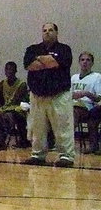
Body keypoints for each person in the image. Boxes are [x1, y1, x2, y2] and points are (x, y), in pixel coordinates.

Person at [23, 23, 74, 167]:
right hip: (37, 95)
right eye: (44, 30)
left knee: (62, 127)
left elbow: (56, 63)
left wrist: (40, 60)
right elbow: (29, 65)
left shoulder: (64, 49)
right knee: (37, 128)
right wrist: (48, 61)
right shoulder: (32, 49)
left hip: (59, 95)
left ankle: (66, 156)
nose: (47, 33)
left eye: (51, 30)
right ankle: (37, 154)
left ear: (56, 33)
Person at [70, 51, 101, 154]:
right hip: (71, 104)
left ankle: (68, 144)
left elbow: (98, 98)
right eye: (82, 60)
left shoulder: (96, 77)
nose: (85, 62)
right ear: (79, 62)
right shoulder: (74, 77)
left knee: (74, 112)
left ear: (92, 63)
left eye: (88, 60)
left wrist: (86, 93)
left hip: (87, 107)